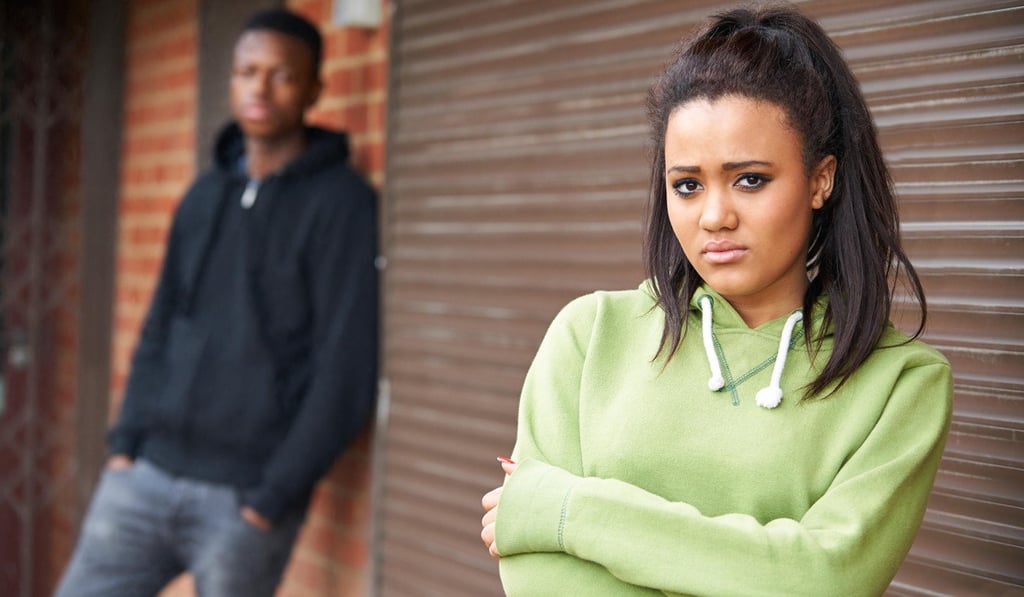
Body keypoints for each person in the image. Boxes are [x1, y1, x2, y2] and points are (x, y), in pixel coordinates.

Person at [480, 4, 953, 596]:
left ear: (820, 180)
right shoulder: (590, 334)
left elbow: (825, 579)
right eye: (687, 184)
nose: (714, 216)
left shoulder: (902, 383)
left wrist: (568, 511)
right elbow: (536, 576)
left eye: (750, 179)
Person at [56, 8, 378, 597]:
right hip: (145, 477)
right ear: (230, 79)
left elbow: (346, 369)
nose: (259, 87)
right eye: (247, 71)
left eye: (281, 75)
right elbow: (159, 326)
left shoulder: (344, 205)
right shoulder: (203, 195)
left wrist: (272, 495)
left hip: (244, 500)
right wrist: (125, 444)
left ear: (313, 89)